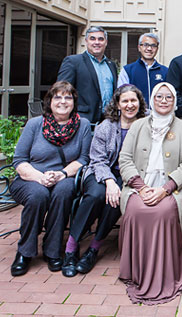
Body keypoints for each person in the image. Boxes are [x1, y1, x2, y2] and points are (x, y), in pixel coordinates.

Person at [118, 82, 182, 304]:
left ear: (174, 102)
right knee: (136, 210)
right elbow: (124, 159)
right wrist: (141, 188)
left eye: (168, 97)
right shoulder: (137, 126)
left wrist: (165, 190)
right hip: (139, 187)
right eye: (159, 97)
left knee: (162, 212)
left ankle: (164, 272)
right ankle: (138, 271)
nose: (163, 101)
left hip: (171, 189)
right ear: (152, 99)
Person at [61, 84, 147, 277]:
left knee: (115, 202)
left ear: (139, 103)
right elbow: (97, 159)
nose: (129, 105)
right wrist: (109, 181)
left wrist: (124, 183)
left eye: (133, 100)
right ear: (117, 104)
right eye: (125, 101)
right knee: (96, 196)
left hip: (129, 176)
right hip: (101, 171)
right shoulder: (105, 126)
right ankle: (71, 248)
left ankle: (93, 248)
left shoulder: (145, 126)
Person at [10, 81, 92, 277]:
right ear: (50, 101)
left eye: (68, 97)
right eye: (58, 97)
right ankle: (25, 252)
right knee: (38, 195)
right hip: (31, 177)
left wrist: (61, 174)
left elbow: (84, 159)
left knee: (63, 191)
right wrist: (39, 177)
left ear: (74, 102)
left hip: (64, 175)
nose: (63, 101)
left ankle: (53, 251)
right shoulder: (35, 124)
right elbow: (19, 160)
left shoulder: (83, 125)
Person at [57, 26, 117, 123]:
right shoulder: (73, 62)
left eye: (101, 39)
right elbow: (61, 91)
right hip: (82, 120)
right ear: (86, 41)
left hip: (108, 121)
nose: (97, 42)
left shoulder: (111, 65)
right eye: (92, 38)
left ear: (106, 42)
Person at [117, 33, 168, 107]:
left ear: (157, 48)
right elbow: (121, 96)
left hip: (158, 116)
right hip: (135, 115)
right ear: (139, 47)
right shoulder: (127, 71)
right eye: (145, 45)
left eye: (153, 46)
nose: (149, 49)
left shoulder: (165, 71)